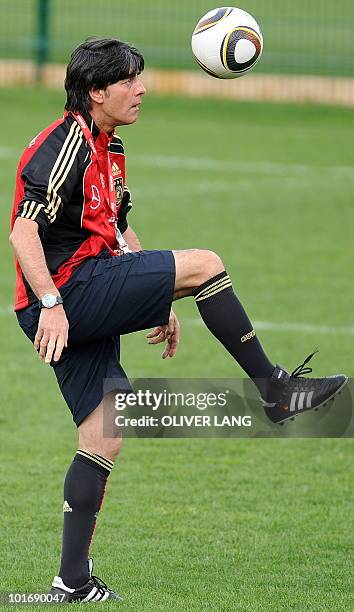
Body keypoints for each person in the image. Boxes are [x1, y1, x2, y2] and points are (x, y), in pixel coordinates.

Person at [9, 38, 346, 603]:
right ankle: (276, 391)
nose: (142, 89)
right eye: (130, 81)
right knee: (207, 265)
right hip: (67, 295)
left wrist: (158, 297)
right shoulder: (66, 141)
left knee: (102, 435)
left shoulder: (108, 149)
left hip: (76, 294)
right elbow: (23, 230)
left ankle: (71, 581)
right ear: (96, 92)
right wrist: (52, 305)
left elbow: (116, 232)